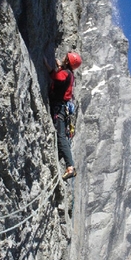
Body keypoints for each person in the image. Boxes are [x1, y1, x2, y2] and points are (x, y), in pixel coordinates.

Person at [44, 51, 82, 180]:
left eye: (66, 58)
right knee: (61, 136)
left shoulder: (66, 73)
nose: (63, 58)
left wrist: (46, 65)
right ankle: (62, 158)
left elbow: (56, 76)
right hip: (62, 109)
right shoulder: (70, 74)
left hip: (59, 109)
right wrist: (60, 66)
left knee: (61, 137)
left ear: (68, 61)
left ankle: (70, 167)